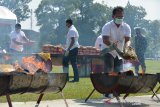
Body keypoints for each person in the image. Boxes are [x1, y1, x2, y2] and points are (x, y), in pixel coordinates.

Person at [101, 6, 131, 97]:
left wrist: (126, 48)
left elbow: (128, 40)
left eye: (122, 17)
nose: (120, 18)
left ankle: (116, 91)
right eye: (118, 17)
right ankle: (107, 91)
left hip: (120, 53)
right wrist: (114, 47)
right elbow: (105, 40)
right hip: (108, 51)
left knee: (118, 71)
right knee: (109, 70)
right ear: (113, 16)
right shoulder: (107, 26)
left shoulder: (126, 27)